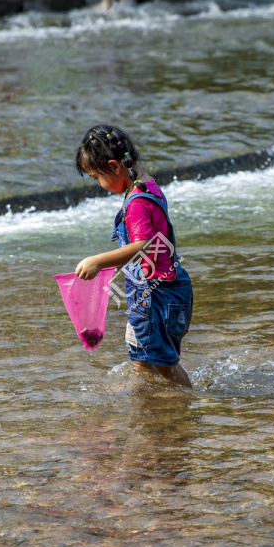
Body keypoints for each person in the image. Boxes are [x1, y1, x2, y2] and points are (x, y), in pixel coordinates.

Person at [74, 125, 193, 388]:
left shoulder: (137, 202)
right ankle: (150, 405)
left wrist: (98, 261)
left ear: (115, 167)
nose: (99, 184)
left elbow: (144, 245)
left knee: (164, 364)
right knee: (141, 357)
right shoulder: (145, 182)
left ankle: (186, 404)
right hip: (160, 291)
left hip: (157, 297)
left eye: (96, 177)